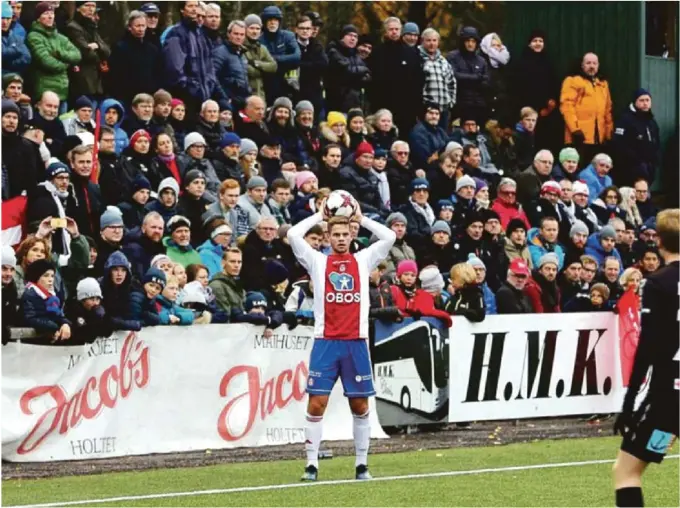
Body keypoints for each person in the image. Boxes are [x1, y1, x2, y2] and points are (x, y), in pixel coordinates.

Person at [287, 201, 396, 482]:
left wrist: (362, 217)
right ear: (328, 237)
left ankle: (361, 465)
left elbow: (390, 237)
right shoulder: (318, 261)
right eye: (335, 234)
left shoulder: (363, 260)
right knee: (316, 404)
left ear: (351, 235)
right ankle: (311, 466)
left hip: (355, 343)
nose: (340, 239)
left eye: (345, 234)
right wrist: (317, 216)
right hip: (326, 342)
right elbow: (292, 235)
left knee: (360, 407)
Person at [612, 209, 678, 508]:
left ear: (659, 241)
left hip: (669, 401)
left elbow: (647, 348)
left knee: (627, 472)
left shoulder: (657, 283)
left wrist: (628, 406)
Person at [559, 52, 613, 164]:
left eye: (594, 63)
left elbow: (607, 110)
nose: (592, 66)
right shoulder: (573, 81)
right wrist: (575, 130)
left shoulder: (602, 84)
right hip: (579, 137)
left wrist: (608, 134)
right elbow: (567, 106)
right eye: (588, 63)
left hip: (598, 139)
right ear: (582, 65)